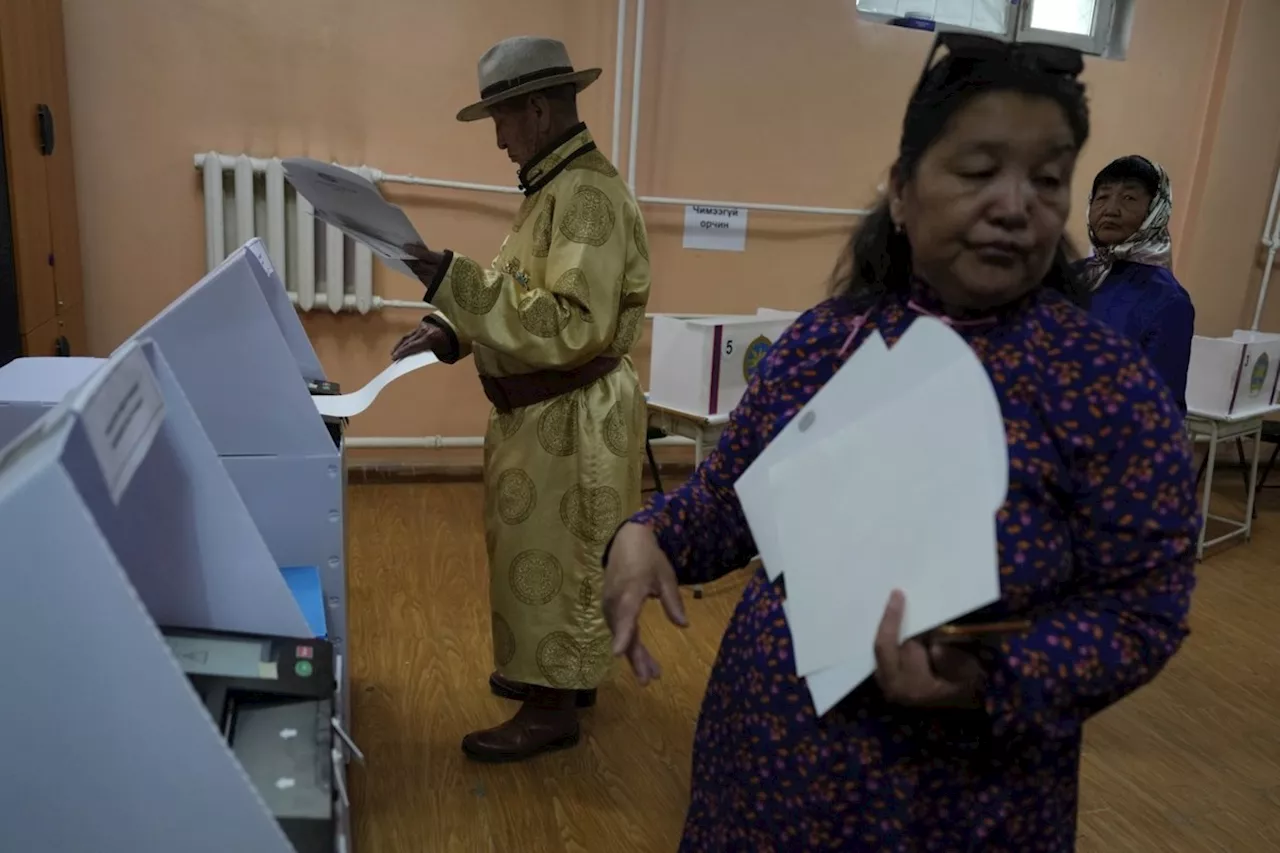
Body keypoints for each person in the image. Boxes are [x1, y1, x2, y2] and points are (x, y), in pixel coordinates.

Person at [602, 34, 1199, 851]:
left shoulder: (1101, 384)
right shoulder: (826, 345)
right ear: (902, 192)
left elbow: (1146, 603)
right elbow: (726, 502)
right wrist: (649, 533)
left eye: (1048, 177)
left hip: (966, 798)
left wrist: (994, 673)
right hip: (771, 767)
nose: (1016, 204)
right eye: (978, 169)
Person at [392, 35, 651, 763]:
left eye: (502, 119)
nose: (499, 138)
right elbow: (523, 287)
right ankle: (559, 679)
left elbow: (569, 323)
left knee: (560, 555)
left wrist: (450, 277)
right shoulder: (555, 188)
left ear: (537, 109)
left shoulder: (586, 196)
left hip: (573, 412)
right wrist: (451, 328)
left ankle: (552, 708)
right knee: (544, 552)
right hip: (548, 412)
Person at [1080, 155, 1195, 412]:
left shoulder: (1167, 301)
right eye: (1102, 197)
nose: (1111, 209)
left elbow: (1161, 407)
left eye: (1129, 198)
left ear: (1155, 209)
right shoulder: (1070, 278)